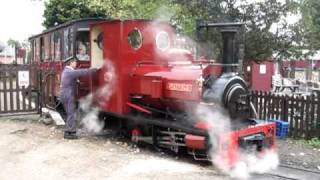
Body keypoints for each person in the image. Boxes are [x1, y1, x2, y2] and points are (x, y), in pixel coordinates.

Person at [60, 58, 97, 139]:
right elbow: (81, 72)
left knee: (70, 113)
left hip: (64, 95)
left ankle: (71, 131)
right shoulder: (70, 72)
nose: (76, 63)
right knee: (71, 114)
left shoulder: (66, 71)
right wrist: (92, 70)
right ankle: (68, 133)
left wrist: (77, 82)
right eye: (75, 62)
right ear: (71, 63)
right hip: (68, 95)